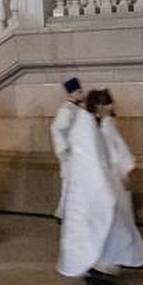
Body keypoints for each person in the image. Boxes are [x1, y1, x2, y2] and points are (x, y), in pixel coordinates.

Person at [57, 89, 143, 285]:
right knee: (104, 226)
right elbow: (93, 162)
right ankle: (100, 266)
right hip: (96, 189)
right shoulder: (86, 126)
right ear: (99, 106)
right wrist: (106, 187)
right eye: (107, 104)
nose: (111, 107)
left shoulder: (93, 125)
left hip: (102, 186)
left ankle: (102, 266)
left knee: (108, 227)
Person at [49, 76, 85, 218]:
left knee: (73, 184)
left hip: (77, 152)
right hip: (70, 153)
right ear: (71, 93)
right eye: (78, 92)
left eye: (80, 91)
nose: (81, 94)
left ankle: (66, 212)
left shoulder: (76, 108)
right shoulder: (66, 110)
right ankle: (63, 212)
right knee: (69, 184)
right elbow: (57, 129)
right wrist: (64, 150)